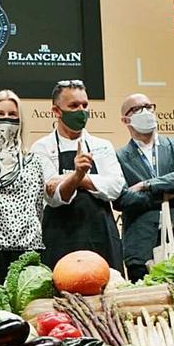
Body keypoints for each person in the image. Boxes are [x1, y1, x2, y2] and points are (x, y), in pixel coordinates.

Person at [31, 80, 124, 270]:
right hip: (59, 237)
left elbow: (115, 188)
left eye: (85, 105)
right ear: (56, 111)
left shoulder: (102, 145)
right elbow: (53, 197)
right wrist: (77, 176)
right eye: (73, 106)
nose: (81, 111)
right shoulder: (41, 148)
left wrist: (74, 179)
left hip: (101, 236)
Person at [113, 93, 174, 281]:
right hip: (142, 249)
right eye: (137, 109)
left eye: (149, 106)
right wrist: (173, 189)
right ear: (125, 119)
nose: (146, 112)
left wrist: (147, 185)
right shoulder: (118, 157)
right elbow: (122, 200)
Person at [0, 90, 59, 282]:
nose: (6, 120)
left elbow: (57, 195)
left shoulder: (38, 160)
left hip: (28, 250)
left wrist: (74, 177)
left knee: (27, 308)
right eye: (0, 114)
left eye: (12, 115)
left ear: (21, 121)